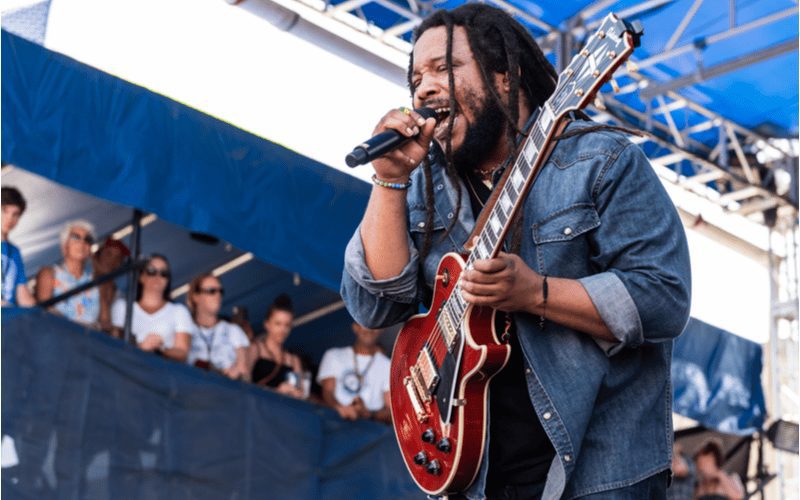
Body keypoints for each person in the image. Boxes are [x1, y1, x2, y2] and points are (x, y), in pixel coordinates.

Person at [340, 4, 691, 499]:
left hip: (598, 474)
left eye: (444, 68)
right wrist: (390, 179)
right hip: (479, 477)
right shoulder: (428, 186)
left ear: (505, 78)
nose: (424, 89)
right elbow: (373, 304)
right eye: (416, 78)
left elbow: (663, 298)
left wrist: (536, 293)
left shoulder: (602, 161)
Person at [110, 254, 193, 362]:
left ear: (168, 279)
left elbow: (182, 353)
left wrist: (160, 349)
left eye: (164, 273)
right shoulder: (122, 307)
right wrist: (141, 346)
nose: (157, 276)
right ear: (141, 276)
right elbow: (114, 344)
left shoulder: (179, 311)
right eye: (151, 271)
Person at [317, 322, 391, 423]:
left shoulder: (388, 365)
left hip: (372, 431)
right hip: (335, 424)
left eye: (374, 325)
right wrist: (341, 409)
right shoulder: (333, 355)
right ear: (355, 327)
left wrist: (368, 413)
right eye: (364, 324)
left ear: (382, 329)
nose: (369, 329)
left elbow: (391, 410)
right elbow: (328, 393)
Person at [35, 220, 100, 325]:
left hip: (88, 340)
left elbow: (105, 323)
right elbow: (44, 312)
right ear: (64, 246)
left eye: (88, 239)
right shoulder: (49, 273)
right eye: (76, 237)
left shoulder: (96, 282)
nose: (82, 242)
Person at [186, 273, 249, 379]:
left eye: (221, 291)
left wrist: (236, 372)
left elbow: (245, 373)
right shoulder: (185, 329)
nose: (218, 295)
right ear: (196, 297)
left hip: (225, 392)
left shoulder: (233, 330)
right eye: (212, 291)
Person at [247, 294, 308, 398]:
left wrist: (295, 392)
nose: (282, 330)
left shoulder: (293, 360)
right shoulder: (255, 349)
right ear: (267, 324)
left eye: (287, 325)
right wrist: (277, 391)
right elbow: (244, 383)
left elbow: (300, 394)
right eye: (278, 324)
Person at [1, 187, 35, 307]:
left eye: (15, 214)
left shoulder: (14, 252)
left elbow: (23, 296)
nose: (9, 218)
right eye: (4, 210)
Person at [93, 238, 131, 333]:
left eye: (118, 258)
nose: (112, 261)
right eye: (108, 254)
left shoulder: (121, 298)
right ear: (97, 255)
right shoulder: (79, 284)